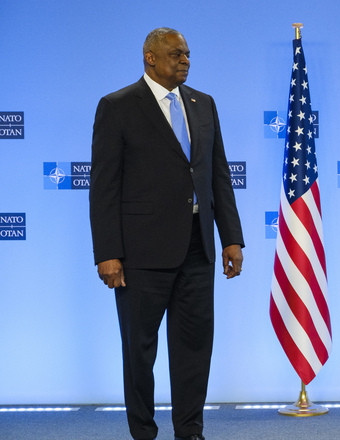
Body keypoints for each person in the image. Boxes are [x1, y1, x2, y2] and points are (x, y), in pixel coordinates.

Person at [89, 27, 245, 440]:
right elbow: (104, 187)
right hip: (140, 254)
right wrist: (107, 252)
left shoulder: (203, 103)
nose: (185, 61)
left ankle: (190, 431)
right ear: (150, 57)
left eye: (188, 54)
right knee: (139, 353)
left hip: (198, 247)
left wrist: (231, 237)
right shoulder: (117, 106)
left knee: (194, 349)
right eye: (177, 54)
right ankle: (143, 432)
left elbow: (218, 174)